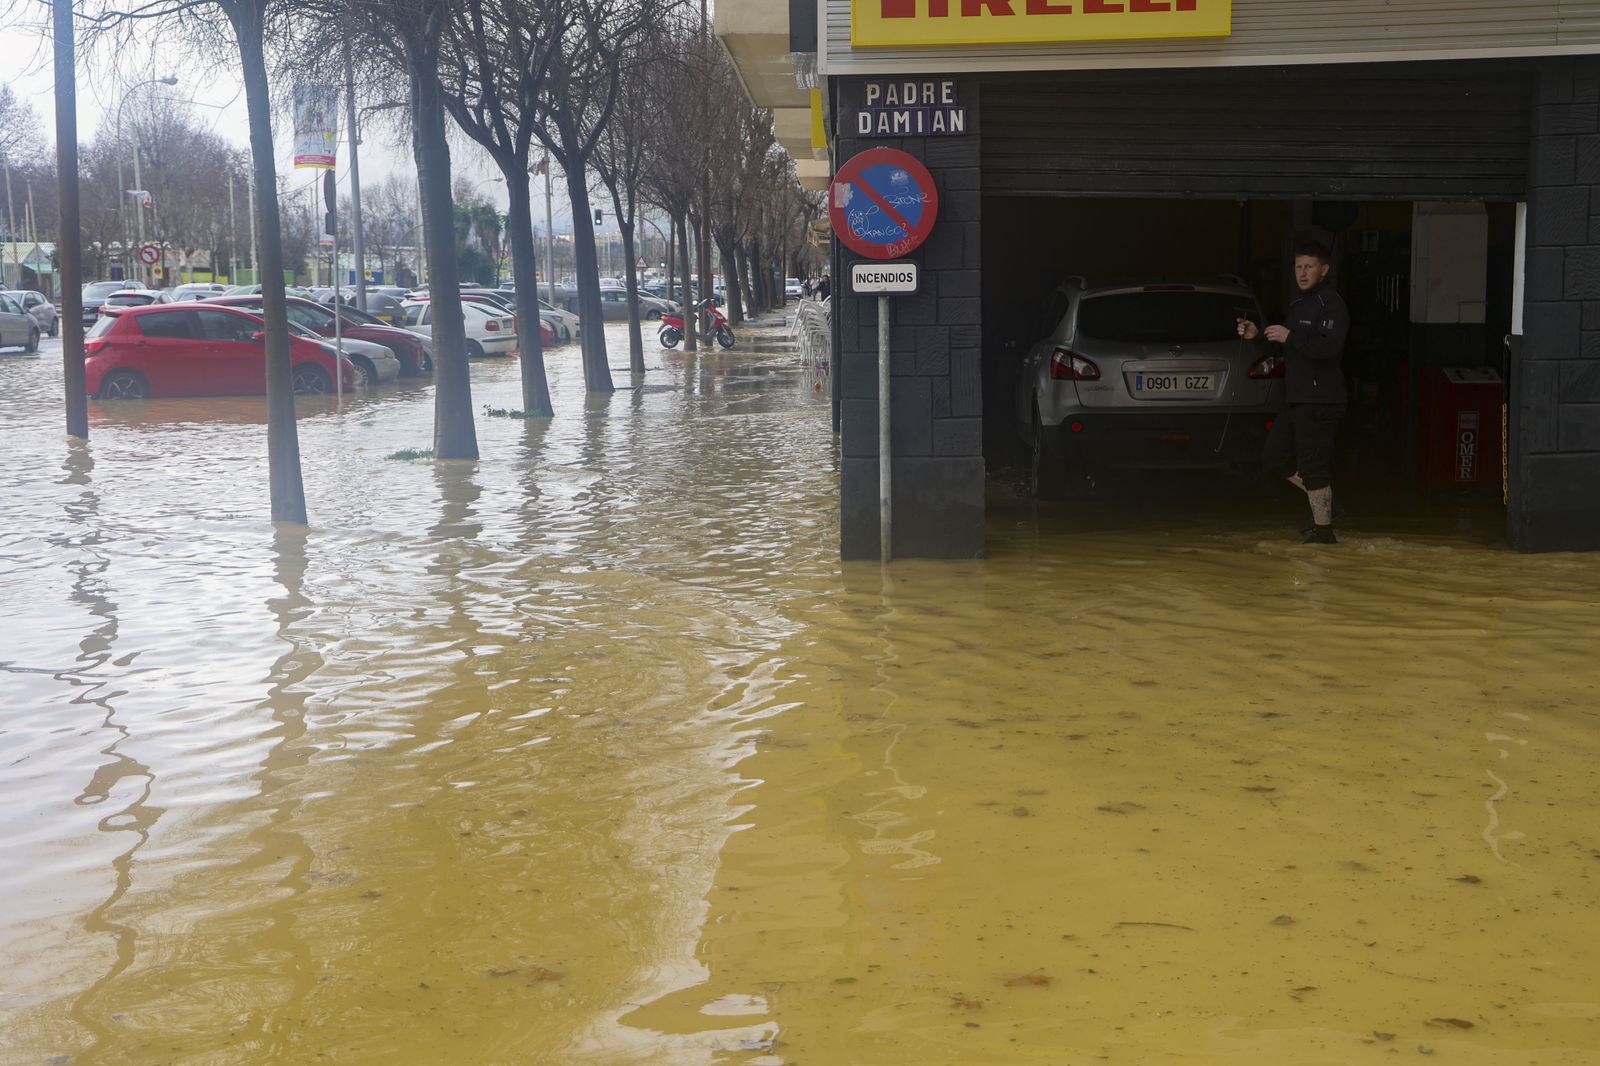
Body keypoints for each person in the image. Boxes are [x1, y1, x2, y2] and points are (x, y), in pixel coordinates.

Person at [1237, 240, 1349, 544]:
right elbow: (1287, 347)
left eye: (1309, 266)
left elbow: (1327, 347)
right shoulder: (1299, 306)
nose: (1302, 272)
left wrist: (1292, 335)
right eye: (1298, 266)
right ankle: (1328, 504)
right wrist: (1257, 335)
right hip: (1295, 398)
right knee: (1274, 457)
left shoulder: (1332, 304)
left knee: (1314, 467)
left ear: (1323, 270)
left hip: (1321, 399)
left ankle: (1324, 534)